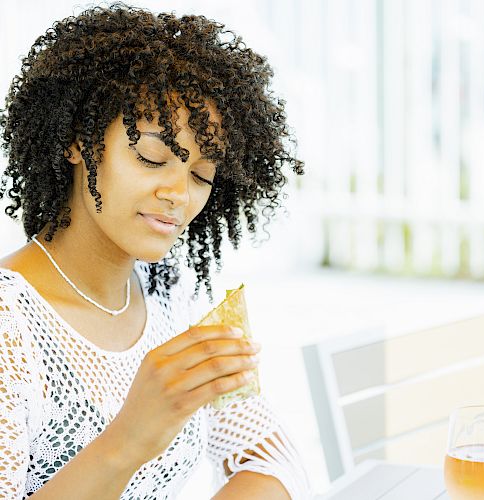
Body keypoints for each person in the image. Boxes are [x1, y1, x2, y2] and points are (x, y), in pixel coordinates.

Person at [0, 2, 311, 499]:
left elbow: (269, 458)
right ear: (78, 141)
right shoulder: (11, 327)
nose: (180, 194)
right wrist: (129, 438)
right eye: (151, 156)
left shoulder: (171, 294)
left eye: (201, 174)